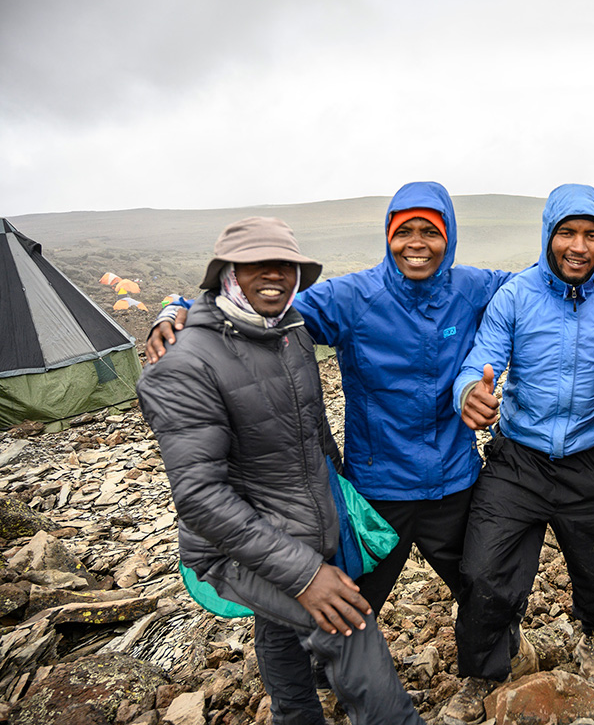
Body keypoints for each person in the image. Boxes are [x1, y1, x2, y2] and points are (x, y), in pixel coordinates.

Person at [146, 182, 594, 622]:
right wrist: (181, 308)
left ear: (449, 237)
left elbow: (548, 274)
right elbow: (264, 305)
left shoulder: (473, 287)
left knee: (483, 584)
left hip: (454, 482)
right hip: (379, 485)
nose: (417, 244)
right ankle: (329, 676)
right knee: (354, 599)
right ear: (388, 236)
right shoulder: (351, 297)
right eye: (405, 231)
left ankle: (496, 662)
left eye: (431, 231)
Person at [137, 217, 425, 725]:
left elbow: (313, 433)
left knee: (278, 627)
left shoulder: (289, 334)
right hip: (232, 549)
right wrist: (306, 574)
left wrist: (339, 502)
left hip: (298, 522)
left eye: (287, 266)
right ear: (226, 272)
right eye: (256, 263)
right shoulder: (184, 364)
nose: (275, 275)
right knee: (348, 621)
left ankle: (294, 716)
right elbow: (201, 498)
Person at [442, 184, 594, 724]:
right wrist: (470, 393)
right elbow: (480, 359)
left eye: (592, 235)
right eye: (567, 233)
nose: (579, 246)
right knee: (482, 572)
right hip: (518, 460)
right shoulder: (517, 295)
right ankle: (483, 671)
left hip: (593, 458)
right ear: (548, 234)